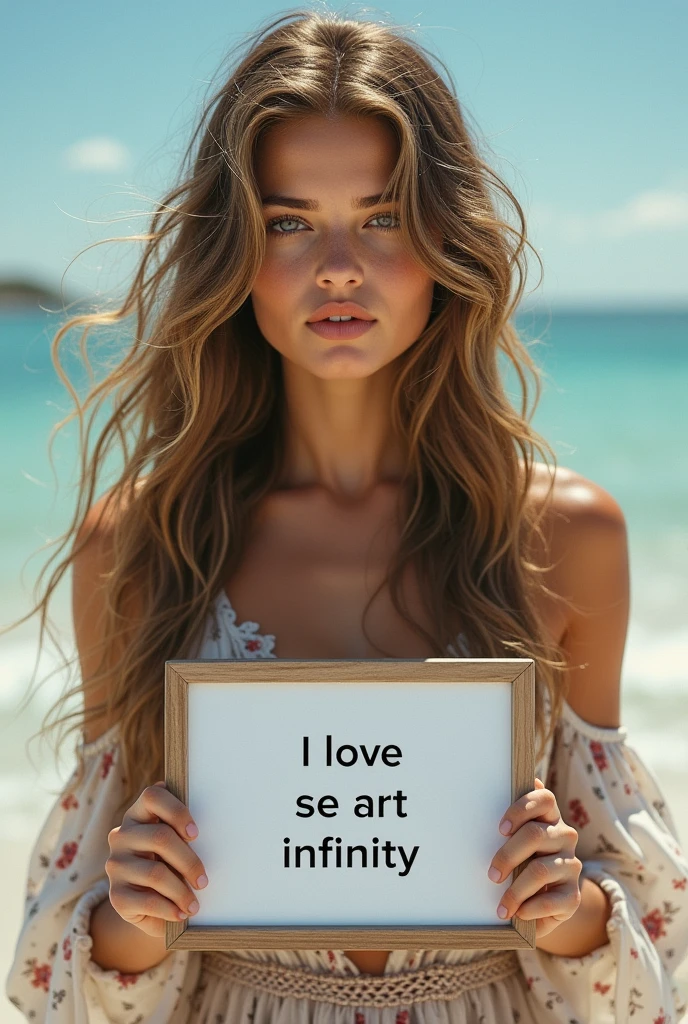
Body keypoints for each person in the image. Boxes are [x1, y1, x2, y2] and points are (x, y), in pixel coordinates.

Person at [5, 8, 688, 1023]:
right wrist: (134, 922)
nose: (336, 264)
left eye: (380, 217)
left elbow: (650, 983)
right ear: (232, 249)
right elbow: (64, 988)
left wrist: (573, 912)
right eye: (288, 220)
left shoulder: (567, 538)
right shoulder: (140, 546)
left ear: (443, 238)